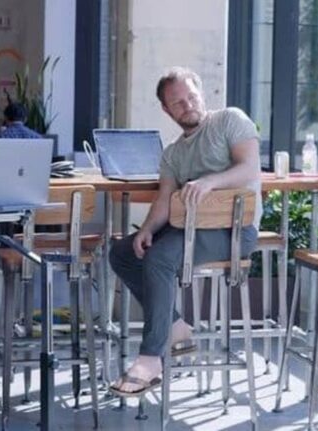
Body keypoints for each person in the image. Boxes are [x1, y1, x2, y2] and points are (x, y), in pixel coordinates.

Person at [109, 67, 261, 396]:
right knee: (123, 252)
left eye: (191, 97)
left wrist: (209, 182)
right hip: (190, 229)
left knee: (160, 259)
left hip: (235, 230)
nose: (188, 105)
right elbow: (166, 198)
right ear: (166, 110)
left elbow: (249, 168)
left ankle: (150, 360)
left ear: (201, 93)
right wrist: (147, 229)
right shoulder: (173, 153)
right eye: (178, 102)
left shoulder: (230, 120)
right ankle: (176, 325)